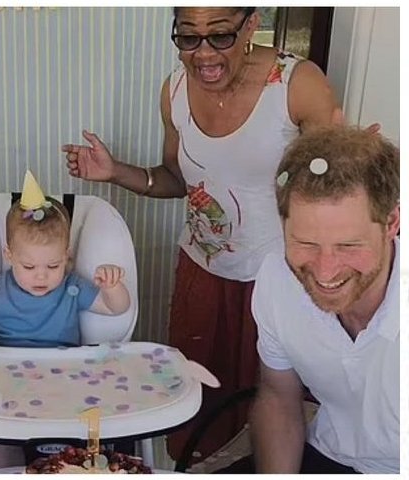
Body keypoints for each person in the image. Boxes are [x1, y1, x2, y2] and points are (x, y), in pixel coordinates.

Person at [61, 6, 340, 460]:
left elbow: (334, 190)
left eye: (220, 35)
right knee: (199, 411)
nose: (203, 53)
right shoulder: (174, 90)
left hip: (280, 280)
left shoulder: (297, 87)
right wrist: (114, 172)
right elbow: (177, 179)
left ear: (251, 25)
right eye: (188, 37)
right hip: (203, 274)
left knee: (275, 412)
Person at [228, 125, 399, 474]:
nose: (325, 271)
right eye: (305, 243)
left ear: (392, 223)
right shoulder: (277, 279)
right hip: (330, 455)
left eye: (348, 246)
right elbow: (278, 396)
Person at [0, 171, 130, 470]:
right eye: (29, 266)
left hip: (63, 382)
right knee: (2, 438)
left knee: (76, 443)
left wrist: (113, 287)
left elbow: (116, 308)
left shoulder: (72, 288)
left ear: (66, 256)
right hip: (4, 382)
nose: (41, 276)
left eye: (53, 265)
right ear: (9, 255)